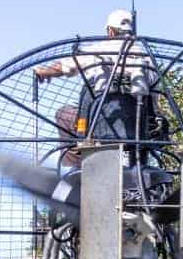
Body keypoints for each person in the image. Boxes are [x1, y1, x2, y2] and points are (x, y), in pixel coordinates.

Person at [35, 10, 162, 161]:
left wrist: (44, 72)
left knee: (63, 114)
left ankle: (77, 169)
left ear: (110, 31)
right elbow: (155, 102)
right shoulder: (147, 58)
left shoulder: (99, 50)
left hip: (97, 126)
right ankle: (138, 163)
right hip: (138, 130)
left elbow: (66, 66)